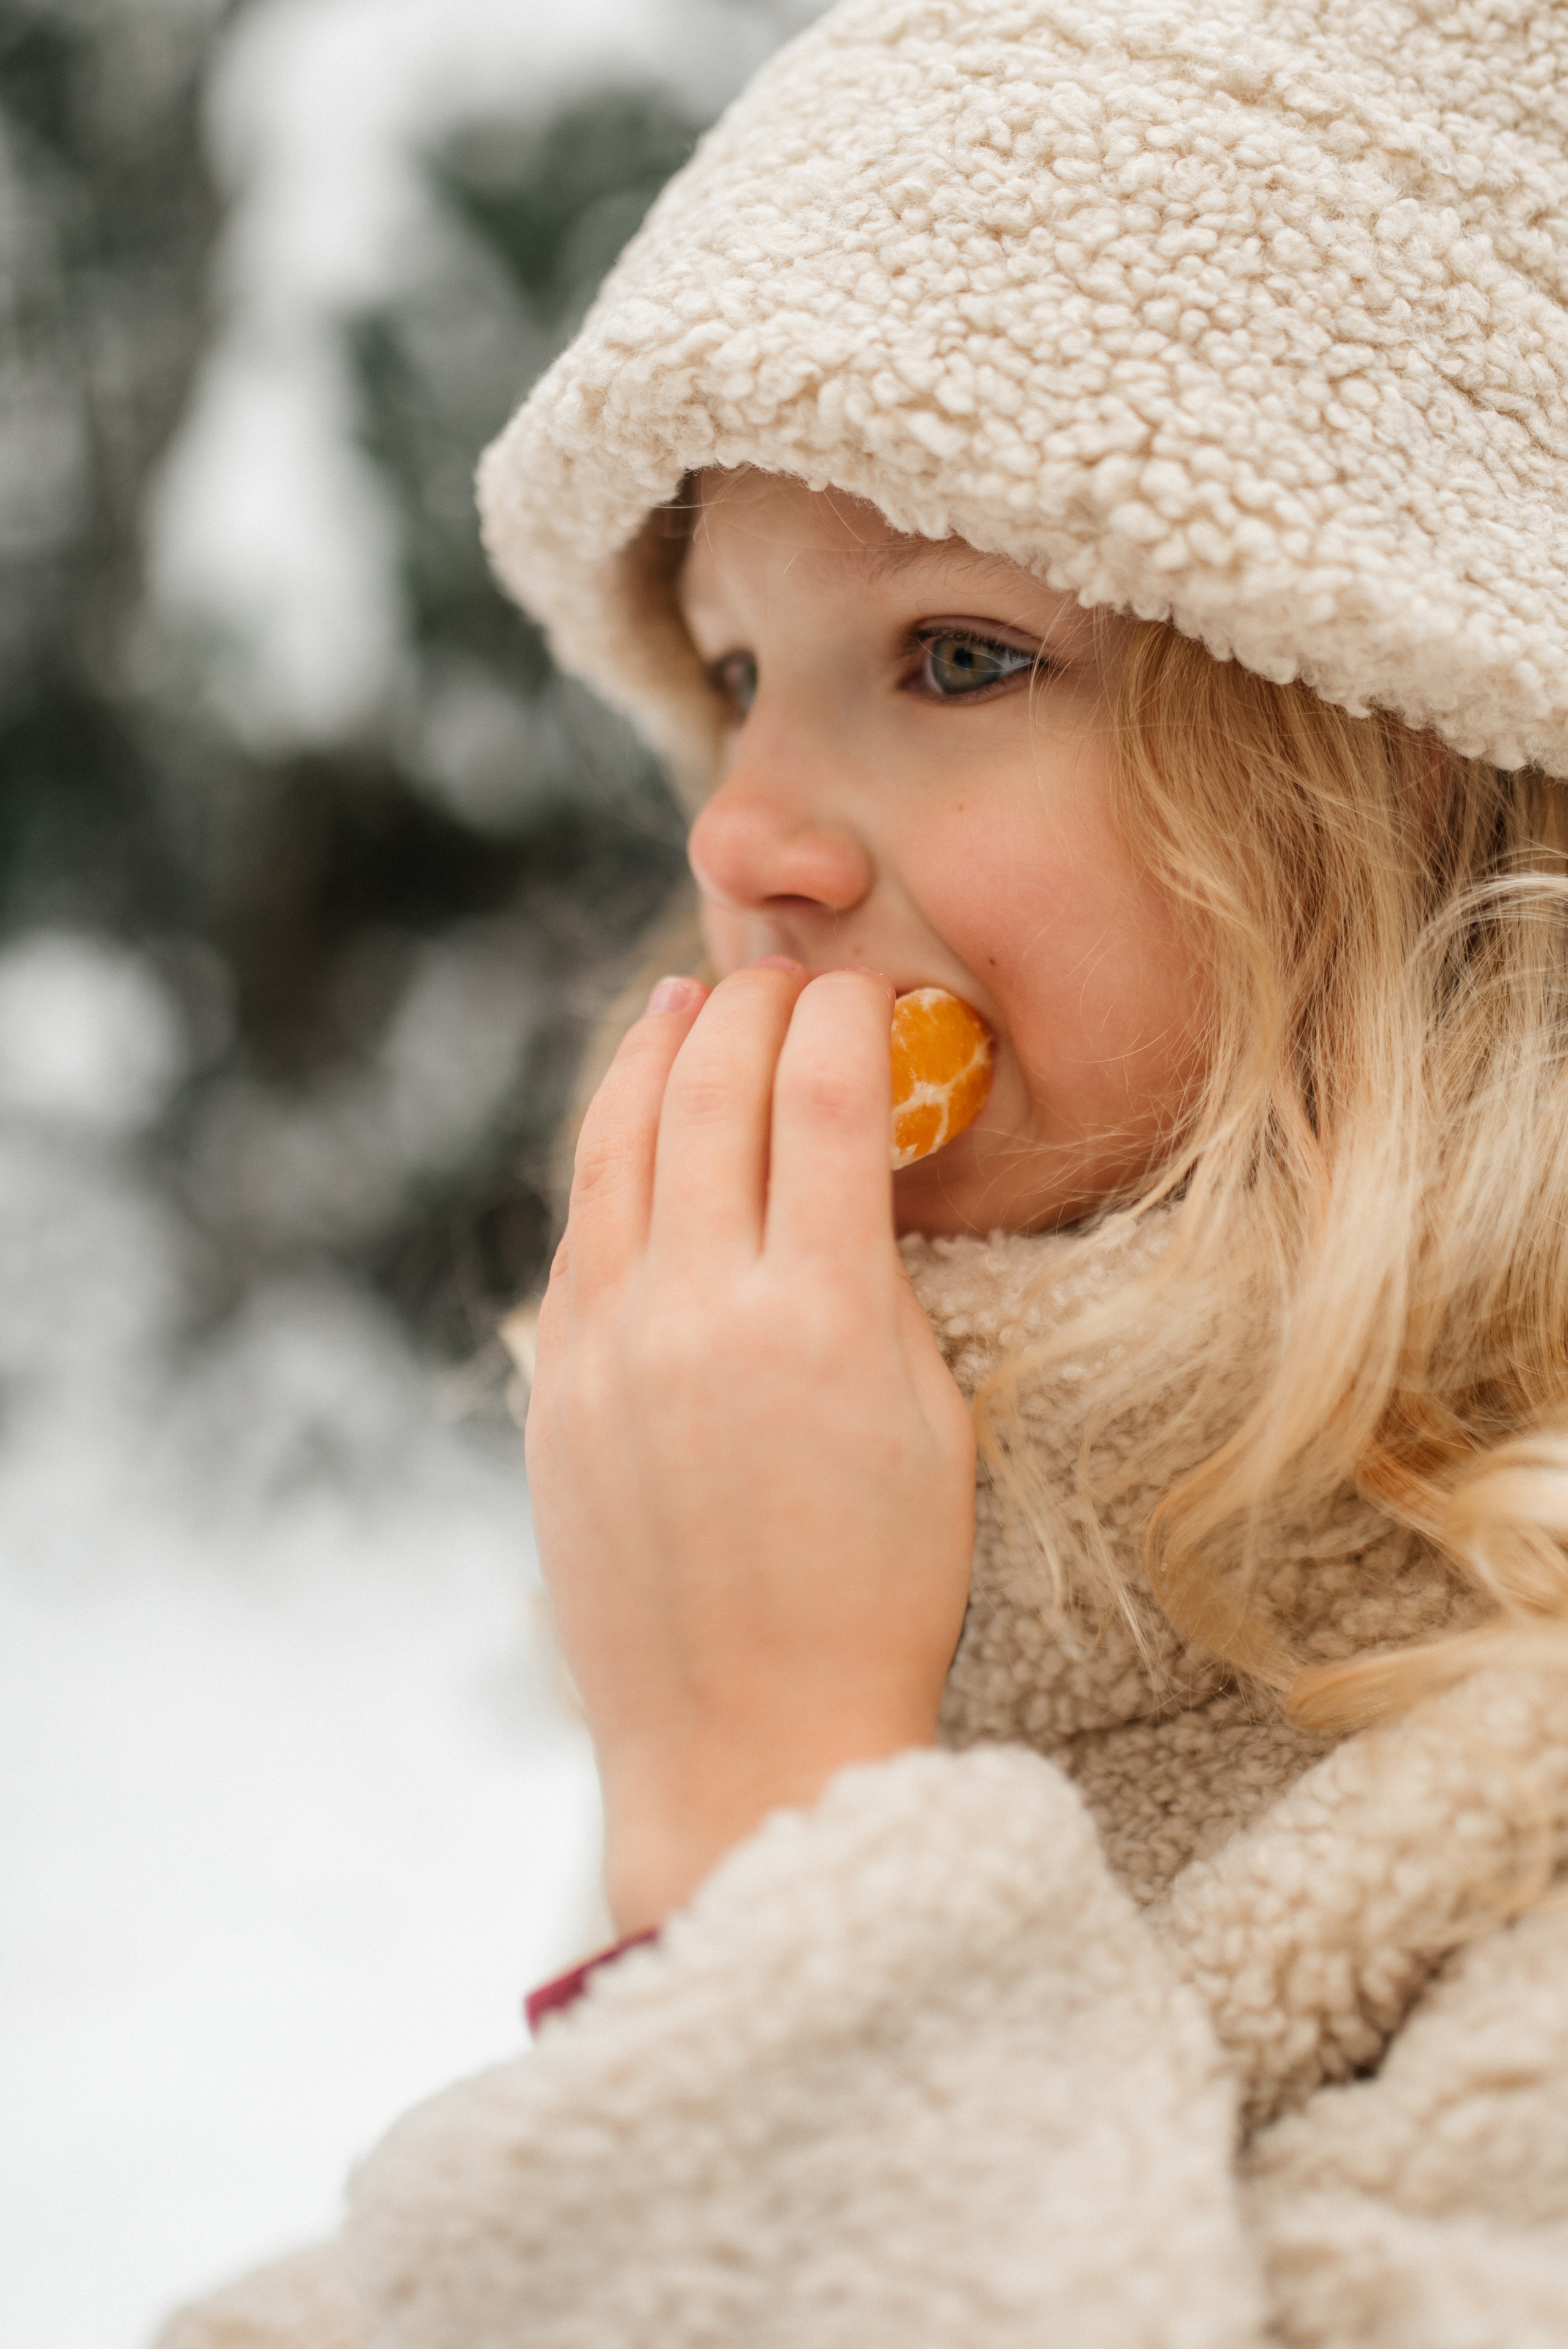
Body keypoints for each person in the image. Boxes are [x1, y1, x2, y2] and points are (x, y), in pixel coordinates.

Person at [162, 1, 1568, 2342]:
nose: (744, 835)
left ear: (1419, 753)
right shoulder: (951, 1547)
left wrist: (767, 1813)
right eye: (731, 674)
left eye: (954, 654)